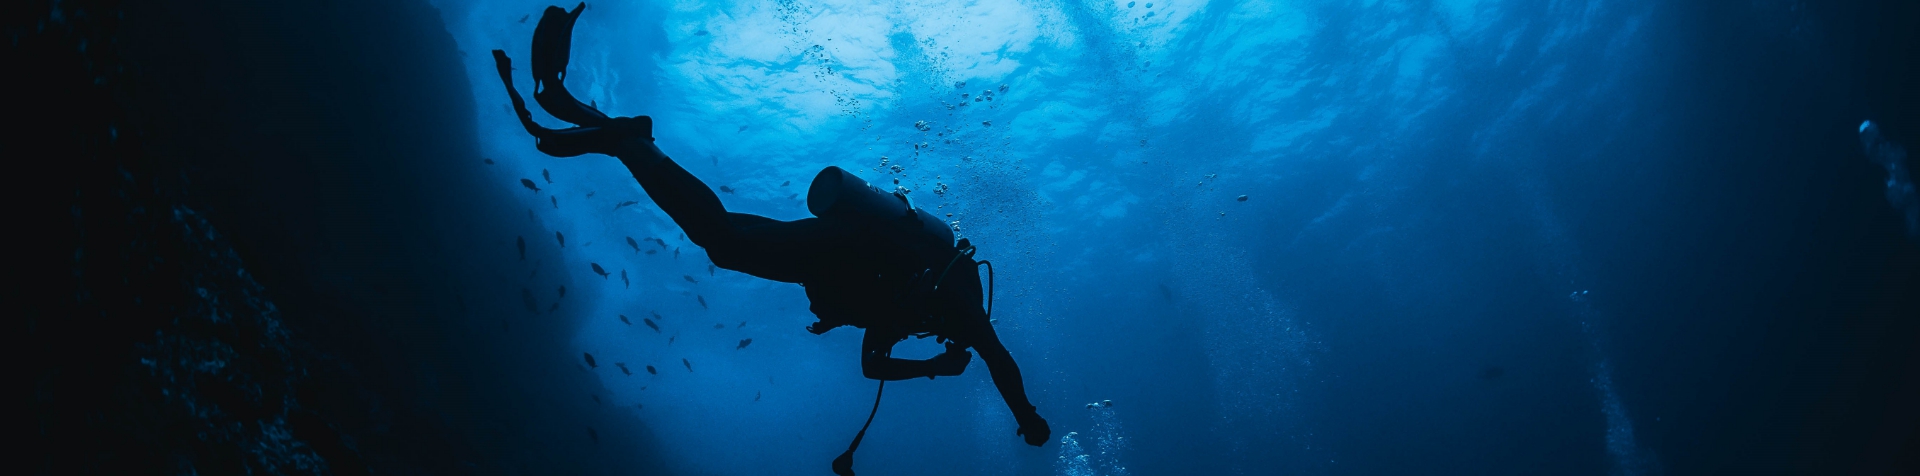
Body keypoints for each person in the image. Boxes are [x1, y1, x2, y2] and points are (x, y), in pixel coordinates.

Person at [491, 2, 1051, 456]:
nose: (954, 342)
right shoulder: (961, 302)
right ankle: (630, 142)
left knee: (722, 239)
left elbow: (870, 364)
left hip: (832, 254)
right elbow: (1001, 362)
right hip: (840, 248)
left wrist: (932, 365)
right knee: (724, 239)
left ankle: (627, 139)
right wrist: (1026, 417)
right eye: (954, 341)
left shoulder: (918, 318)